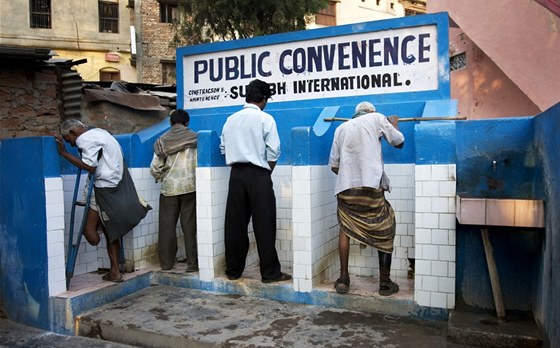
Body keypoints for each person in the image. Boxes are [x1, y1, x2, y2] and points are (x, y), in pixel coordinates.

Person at [55, 119, 149, 283]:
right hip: (115, 185)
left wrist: (64, 154)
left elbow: (90, 166)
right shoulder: (100, 133)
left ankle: (102, 244)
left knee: (90, 234)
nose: (72, 144)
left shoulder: (85, 139)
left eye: (70, 140)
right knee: (109, 231)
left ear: (72, 133)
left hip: (102, 189)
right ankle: (115, 271)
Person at [328, 101, 405, 296]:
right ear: (371, 111)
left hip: (345, 188)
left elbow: (334, 166)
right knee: (385, 226)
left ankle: (343, 279)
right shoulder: (377, 118)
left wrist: (351, 177)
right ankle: (385, 283)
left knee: (345, 227)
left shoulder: (341, 128)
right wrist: (394, 124)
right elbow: (399, 142)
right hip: (371, 185)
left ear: (357, 113)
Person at [219, 79, 291, 283]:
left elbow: (223, 149)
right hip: (259, 175)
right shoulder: (265, 119)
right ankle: (270, 273)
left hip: (236, 175)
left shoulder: (230, 120)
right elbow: (274, 151)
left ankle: (233, 271)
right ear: (263, 99)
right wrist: (266, 172)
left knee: (235, 225)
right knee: (264, 225)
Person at [150, 109, 198, 272]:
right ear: (187, 123)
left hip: (169, 189)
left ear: (171, 123)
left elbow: (155, 167)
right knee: (189, 226)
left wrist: (162, 176)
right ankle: (192, 263)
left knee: (167, 227)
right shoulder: (195, 138)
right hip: (190, 188)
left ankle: (166, 263)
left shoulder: (162, 141)